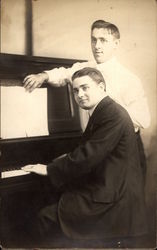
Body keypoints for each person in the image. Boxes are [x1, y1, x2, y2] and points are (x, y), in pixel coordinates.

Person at [22, 67, 147, 247]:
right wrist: (64, 160)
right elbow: (91, 151)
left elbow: (88, 156)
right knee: (51, 200)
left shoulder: (112, 115)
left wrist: (48, 168)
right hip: (109, 188)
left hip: (114, 200)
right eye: (75, 90)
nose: (79, 94)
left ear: (101, 87)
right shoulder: (105, 110)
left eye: (85, 88)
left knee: (45, 217)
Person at [23, 19, 150, 182]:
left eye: (103, 40)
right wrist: (43, 76)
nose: (97, 46)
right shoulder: (86, 68)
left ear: (116, 44)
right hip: (94, 148)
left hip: (123, 153)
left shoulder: (129, 79)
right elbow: (64, 74)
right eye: (93, 39)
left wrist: (108, 112)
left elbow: (143, 119)